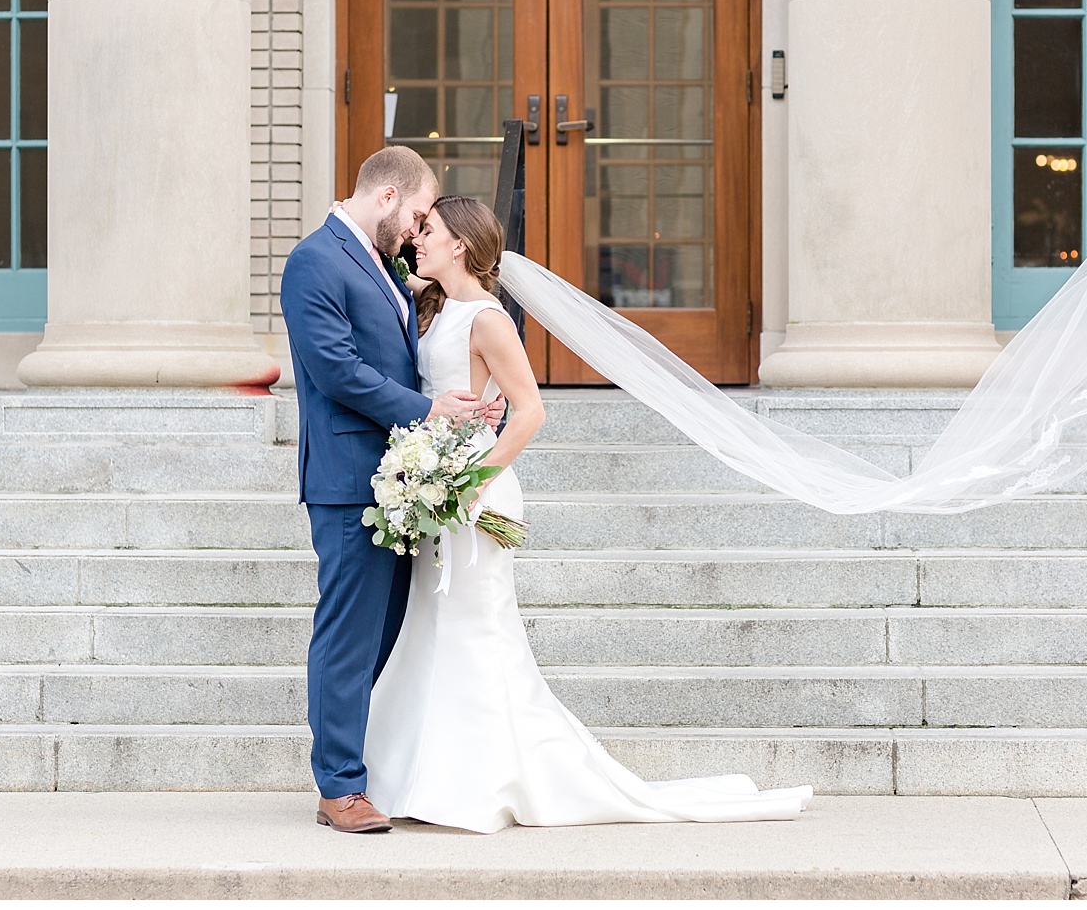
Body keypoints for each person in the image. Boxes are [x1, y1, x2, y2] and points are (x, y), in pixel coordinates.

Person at [361, 195, 813, 833]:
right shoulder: (435, 305)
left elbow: (530, 411)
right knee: (433, 627)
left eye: (428, 230)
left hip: (471, 491)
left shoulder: (487, 319)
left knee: (475, 631)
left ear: (459, 244)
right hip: (435, 479)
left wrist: (469, 484)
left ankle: (478, 784)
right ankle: (418, 777)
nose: (417, 239)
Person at [279, 148, 504, 834]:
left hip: (402, 479)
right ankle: (339, 786)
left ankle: (363, 767)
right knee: (348, 634)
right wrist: (426, 409)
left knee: (381, 634)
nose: (415, 230)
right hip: (350, 481)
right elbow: (337, 369)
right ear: (384, 196)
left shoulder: (385, 265)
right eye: (413, 215)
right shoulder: (314, 261)